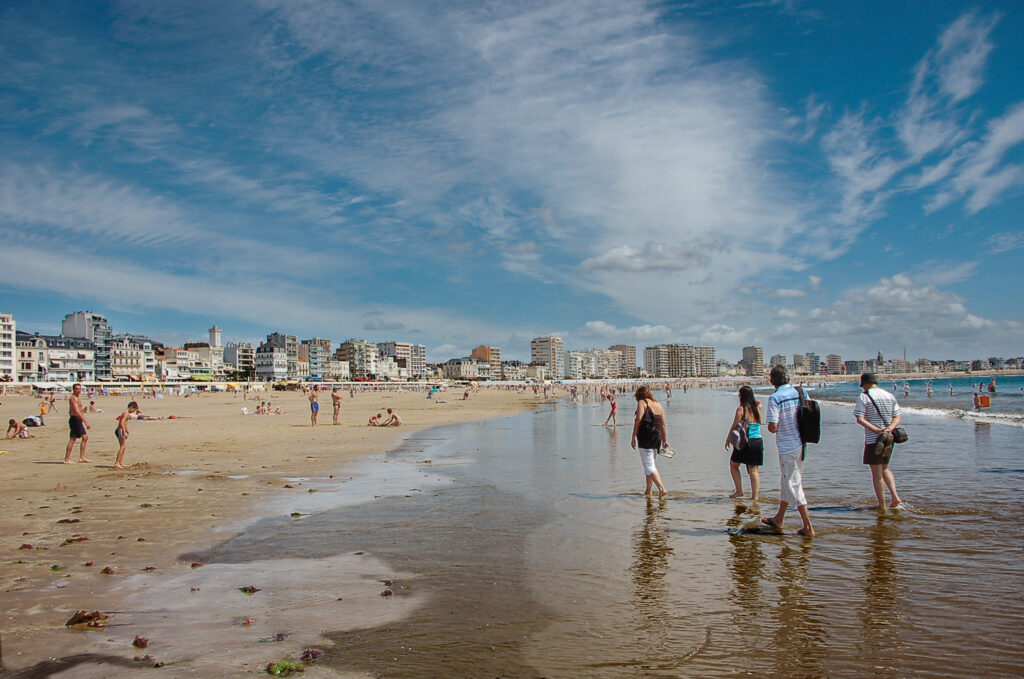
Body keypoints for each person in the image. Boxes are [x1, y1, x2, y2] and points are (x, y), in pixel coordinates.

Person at [761, 366, 814, 537]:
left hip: (787, 446)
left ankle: (808, 526)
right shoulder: (801, 392)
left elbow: (773, 427)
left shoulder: (775, 397)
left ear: (772, 381)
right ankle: (779, 518)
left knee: (793, 484)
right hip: (802, 443)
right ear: (788, 378)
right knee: (787, 481)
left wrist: (773, 424)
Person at [853, 373, 903, 510]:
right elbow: (897, 416)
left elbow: (859, 418)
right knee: (885, 467)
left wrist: (876, 430)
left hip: (874, 439)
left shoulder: (864, 396)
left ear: (866, 384)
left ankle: (882, 504)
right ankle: (895, 497)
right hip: (890, 436)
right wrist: (890, 428)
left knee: (876, 472)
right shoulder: (889, 395)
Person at [723, 385, 762, 501]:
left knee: (733, 465)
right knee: (753, 469)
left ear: (742, 396)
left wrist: (728, 439)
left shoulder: (741, 409)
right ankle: (755, 496)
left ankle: (739, 491)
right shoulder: (757, 408)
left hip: (745, 442)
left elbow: (734, 425)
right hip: (757, 441)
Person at [630, 385, 669, 498]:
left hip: (645, 437)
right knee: (649, 466)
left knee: (649, 466)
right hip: (657, 438)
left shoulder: (642, 403)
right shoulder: (658, 405)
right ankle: (648, 491)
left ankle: (661, 488)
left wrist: (633, 437)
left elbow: (638, 420)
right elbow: (663, 425)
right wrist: (665, 440)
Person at [63, 383, 91, 464]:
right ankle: (67, 459)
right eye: (77, 389)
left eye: (79, 389)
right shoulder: (73, 398)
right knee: (75, 439)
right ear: (73, 390)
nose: (78, 391)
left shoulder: (77, 398)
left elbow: (78, 411)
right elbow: (76, 411)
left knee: (81, 438)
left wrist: (83, 411)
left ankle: (81, 457)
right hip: (75, 420)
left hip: (77, 419)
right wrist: (86, 421)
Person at [114, 401, 140, 470]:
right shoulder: (125, 413)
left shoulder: (127, 413)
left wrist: (127, 429)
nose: (133, 411)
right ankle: (117, 463)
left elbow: (125, 423)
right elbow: (122, 422)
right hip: (120, 430)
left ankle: (120, 462)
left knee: (123, 447)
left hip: (121, 430)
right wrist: (124, 431)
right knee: (122, 446)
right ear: (131, 407)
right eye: (134, 410)